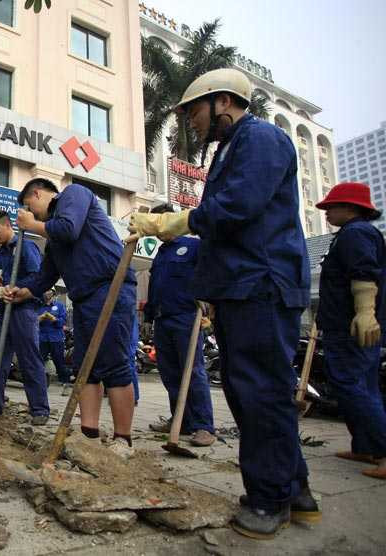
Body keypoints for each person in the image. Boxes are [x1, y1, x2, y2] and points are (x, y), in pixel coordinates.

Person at [128, 68, 319, 538]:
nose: (191, 122)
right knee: (257, 390)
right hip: (241, 287)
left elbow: (237, 206)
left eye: (194, 111)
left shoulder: (261, 138)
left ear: (224, 102)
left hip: (261, 283)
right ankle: (295, 490)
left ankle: (269, 499)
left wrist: (174, 222)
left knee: (259, 393)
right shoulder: (232, 148)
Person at [8, 179, 137, 451]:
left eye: (30, 207)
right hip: (83, 299)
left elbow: (68, 229)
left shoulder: (74, 194)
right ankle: (89, 433)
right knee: (85, 368)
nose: (31, 214)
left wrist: (32, 225)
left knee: (113, 363)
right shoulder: (53, 240)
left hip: (110, 288)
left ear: (37, 193)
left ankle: (123, 439)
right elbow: (45, 276)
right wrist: (25, 291)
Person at [315, 182, 386, 480]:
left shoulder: (356, 233)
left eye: (331, 207)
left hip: (351, 326)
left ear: (351, 208)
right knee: (361, 385)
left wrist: (365, 312)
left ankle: (382, 450)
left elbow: (364, 272)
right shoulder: (351, 234)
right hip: (347, 324)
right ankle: (366, 447)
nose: (327, 212)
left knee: (350, 383)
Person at [144, 203, 216, 447]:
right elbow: (155, 287)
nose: (157, 229)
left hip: (186, 318)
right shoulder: (161, 253)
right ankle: (181, 420)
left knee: (192, 371)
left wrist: (208, 299)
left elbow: (210, 274)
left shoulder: (194, 246)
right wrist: (149, 317)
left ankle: (204, 426)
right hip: (162, 319)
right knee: (170, 373)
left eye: (160, 222)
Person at [0, 210, 50, 425]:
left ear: (8, 225)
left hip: (24, 310)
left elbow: (36, 278)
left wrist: (10, 288)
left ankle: (39, 410)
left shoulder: (26, 246)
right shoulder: (0, 255)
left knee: (29, 359)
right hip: (4, 311)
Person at [38, 289, 71, 390]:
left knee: (59, 361)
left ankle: (65, 383)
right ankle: (39, 382)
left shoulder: (59, 306)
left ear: (53, 293)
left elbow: (63, 321)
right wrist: (40, 318)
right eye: (45, 290)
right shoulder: (39, 305)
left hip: (56, 338)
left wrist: (54, 319)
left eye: (49, 291)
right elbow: (32, 320)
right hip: (42, 338)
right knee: (38, 360)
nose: (47, 293)